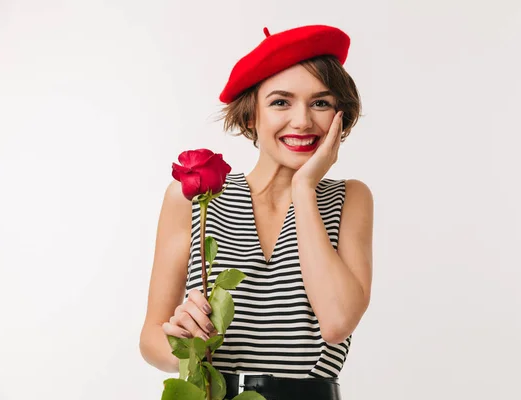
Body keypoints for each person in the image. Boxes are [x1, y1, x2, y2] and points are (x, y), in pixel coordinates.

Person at [139, 24, 374, 400]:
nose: (302, 120)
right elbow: (151, 336)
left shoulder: (351, 199)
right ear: (251, 116)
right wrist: (184, 344)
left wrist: (304, 189)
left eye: (321, 103)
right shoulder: (195, 197)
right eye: (281, 102)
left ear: (339, 117)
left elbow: (336, 322)